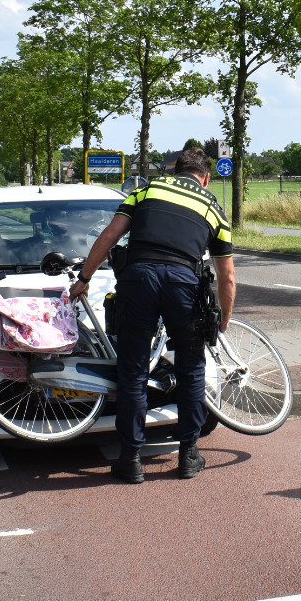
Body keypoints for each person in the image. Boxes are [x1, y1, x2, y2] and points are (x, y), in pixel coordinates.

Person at [70, 148, 235, 484]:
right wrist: (223, 321)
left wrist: (84, 279)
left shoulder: (146, 190)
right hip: (183, 283)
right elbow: (227, 276)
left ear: (176, 172)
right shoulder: (213, 207)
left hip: (139, 277)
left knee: (132, 367)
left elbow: (110, 235)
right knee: (191, 368)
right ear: (205, 178)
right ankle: (188, 456)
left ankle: (130, 460)